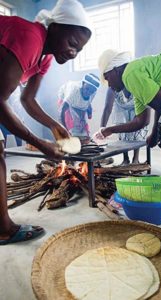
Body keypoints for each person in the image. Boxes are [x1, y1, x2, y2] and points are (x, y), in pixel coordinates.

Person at [0, 0, 92, 245]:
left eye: (79, 50)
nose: (73, 52)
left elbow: (27, 99)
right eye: (72, 43)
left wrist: (55, 126)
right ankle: (4, 228)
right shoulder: (31, 37)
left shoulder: (45, 58)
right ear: (55, 27)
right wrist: (40, 144)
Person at [94, 42, 161, 198]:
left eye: (107, 78)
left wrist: (156, 133)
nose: (109, 85)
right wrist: (110, 130)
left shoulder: (129, 73)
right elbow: (141, 121)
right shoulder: (136, 82)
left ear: (116, 70)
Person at [100, 86, 148, 165]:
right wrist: (101, 129)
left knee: (137, 130)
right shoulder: (112, 86)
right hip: (121, 107)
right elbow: (107, 108)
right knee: (121, 128)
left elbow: (141, 121)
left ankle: (135, 159)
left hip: (136, 106)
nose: (108, 83)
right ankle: (125, 159)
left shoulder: (134, 83)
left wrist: (137, 122)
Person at [58, 73, 100, 141]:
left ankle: (84, 139)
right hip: (65, 99)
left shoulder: (93, 92)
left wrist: (86, 115)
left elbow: (85, 104)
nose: (88, 92)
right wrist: (65, 130)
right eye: (87, 89)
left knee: (82, 125)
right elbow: (62, 111)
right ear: (83, 83)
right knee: (71, 125)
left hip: (78, 103)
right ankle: (71, 139)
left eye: (91, 91)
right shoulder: (73, 91)